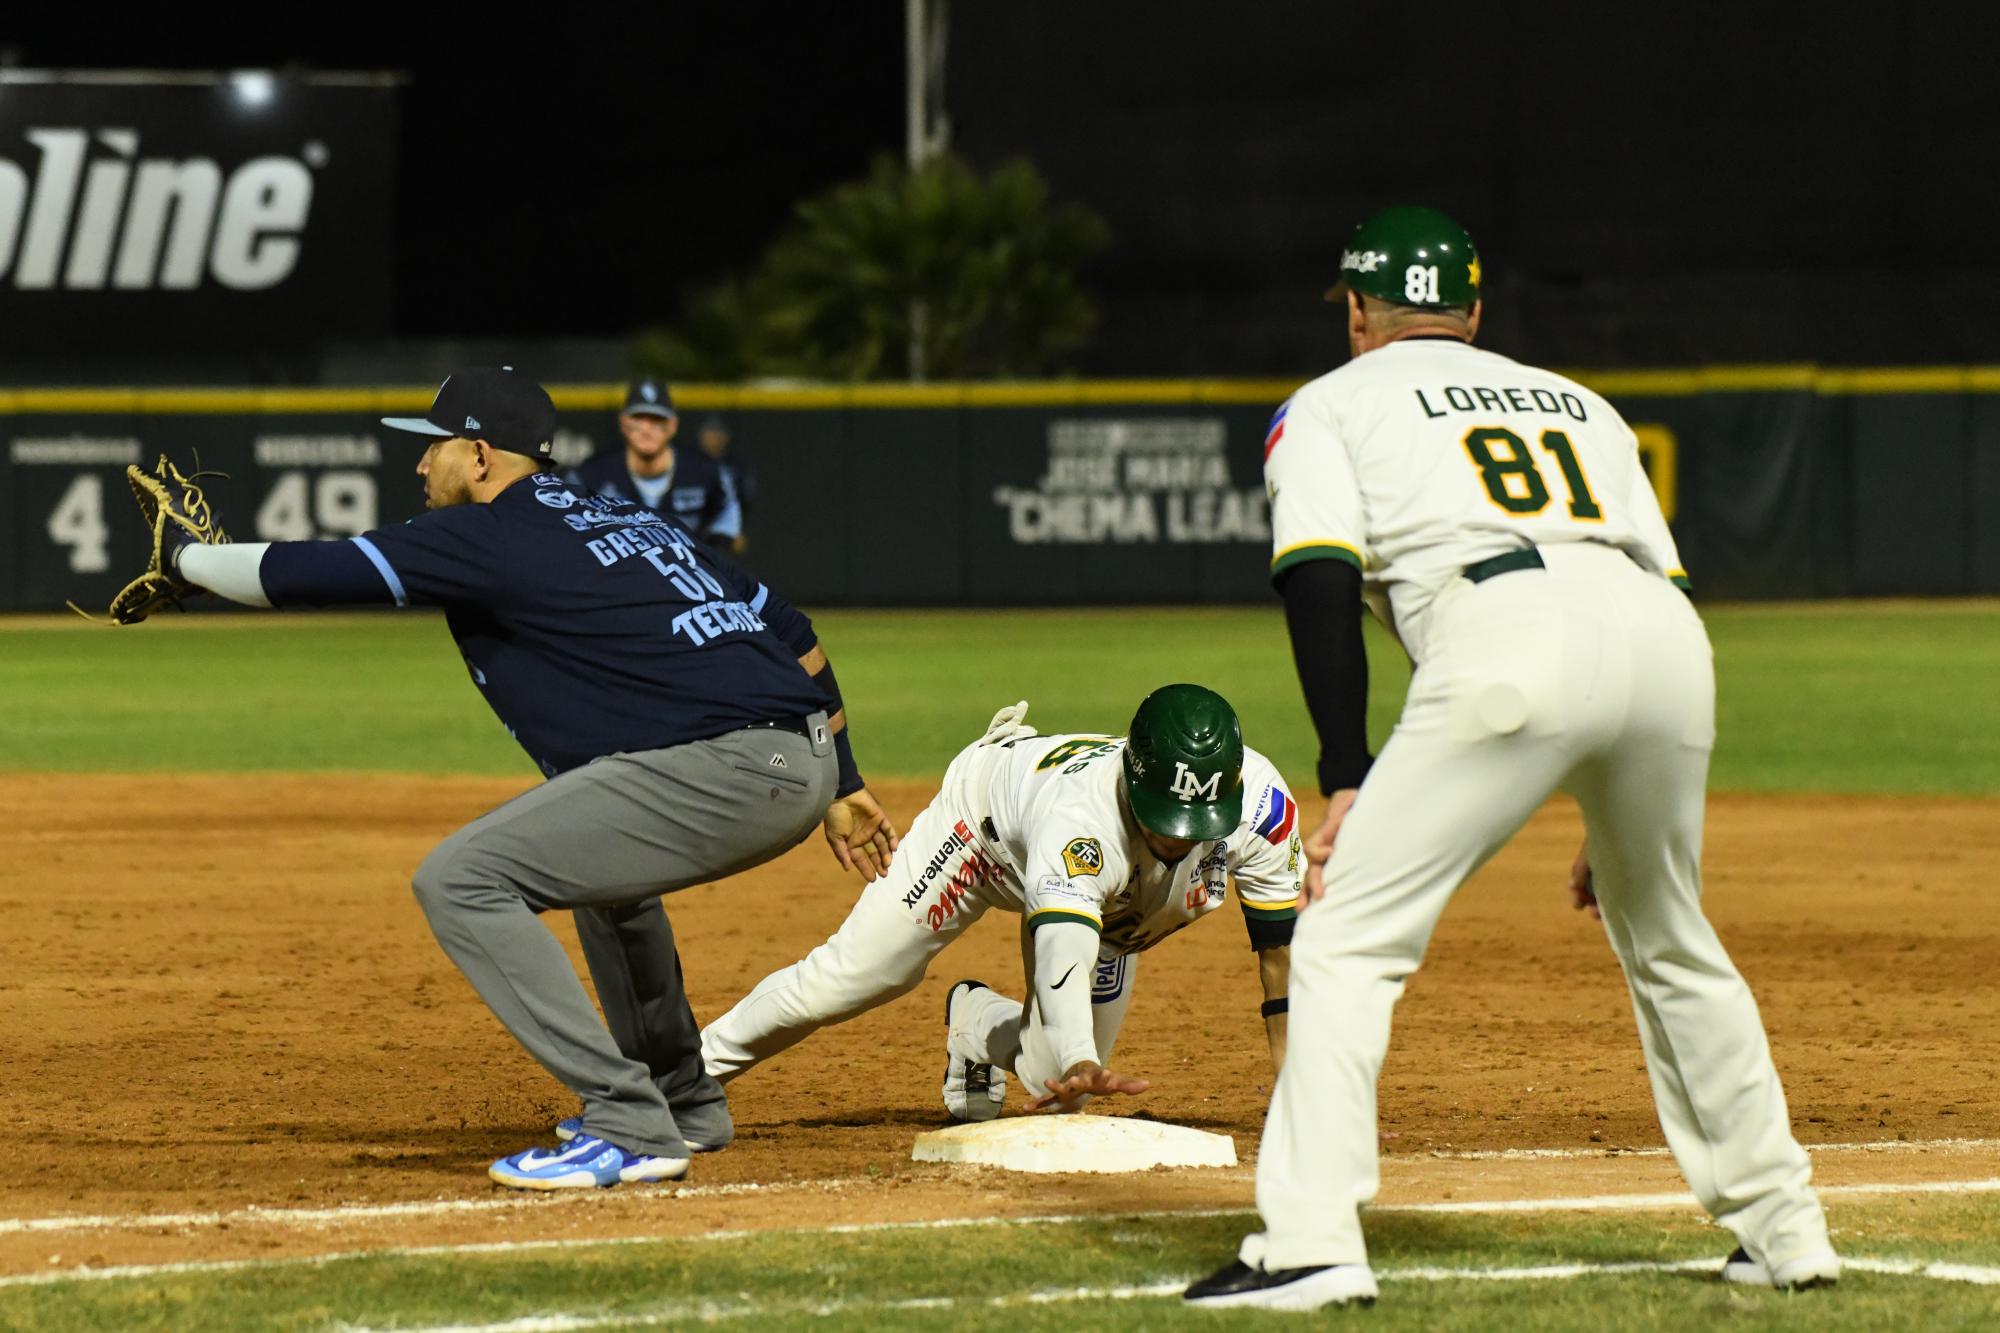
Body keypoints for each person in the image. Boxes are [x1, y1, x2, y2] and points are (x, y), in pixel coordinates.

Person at [1184, 207, 1837, 1311]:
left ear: (1353, 311)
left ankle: (1308, 1243)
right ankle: (1784, 1228)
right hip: (1664, 645)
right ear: (1473, 313)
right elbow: (1658, 588)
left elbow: (1319, 573)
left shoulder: (1331, 402)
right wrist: (1607, 798)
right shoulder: (1580, 401)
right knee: (1671, 934)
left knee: (1343, 936)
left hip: (1502, 633)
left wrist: (1344, 766)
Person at [159, 366, 897, 1191]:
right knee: (606, 882)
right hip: (793, 752)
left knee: (461, 878)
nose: (418, 465)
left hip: (729, 765)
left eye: (431, 447)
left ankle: (627, 1120)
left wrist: (187, 559)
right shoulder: (623, 514)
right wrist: (842, 779)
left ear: (479, 456)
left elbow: (301, 574)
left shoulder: (489, 534)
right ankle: (683, 1100)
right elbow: (789, 625)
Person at [700, 686, 1302, 1117]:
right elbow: (1064, 947)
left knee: (1065, 1086)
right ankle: (683, 1074)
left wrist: (1295, 1083)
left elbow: (1281, 955)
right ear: (1132, 777)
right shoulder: (1082, 821)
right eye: (1166, 818)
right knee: (855, 977)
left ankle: (973, 1020)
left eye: (1197, 819)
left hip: (1113, 910)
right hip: (980, 831)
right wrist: (1077, 1055)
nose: (1180, 834)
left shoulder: (1263, 813)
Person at [566, 378, 742, 548]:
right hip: (616, 574)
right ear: (623, 423)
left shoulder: (704, 471)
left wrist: (712, 552)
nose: (647, 429)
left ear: (673, 425)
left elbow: (727, 514)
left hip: (686, 570)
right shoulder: (591, 474)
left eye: (657, 419)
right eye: (638, 418)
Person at [695, 414, 754, 554]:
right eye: (710, 432)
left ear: (727, 436)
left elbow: (742, 501)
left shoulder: (735, 467)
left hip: (723, 530)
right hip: (694, 527)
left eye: (718, 433)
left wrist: (738, 529)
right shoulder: (689, 463)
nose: (714, 438)